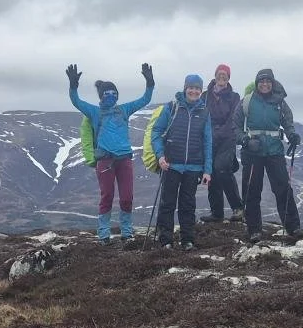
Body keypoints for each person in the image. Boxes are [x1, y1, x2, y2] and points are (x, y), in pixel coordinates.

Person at [67, 62, 154, 243]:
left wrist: (150, 83)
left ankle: (127, 232)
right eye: (107, 94)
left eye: (114, 93)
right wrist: (73, 86)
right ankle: (104, 234)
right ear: (101, 96)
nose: (111, 96)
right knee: (107, 196)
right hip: (105, 161)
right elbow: (76, 101)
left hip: (124, 159)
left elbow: (145, 99)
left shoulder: (124, 110)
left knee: (127, 197)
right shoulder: (94, 112)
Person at [239, 67, 302, 244]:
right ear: (257, 83)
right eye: (262, 81)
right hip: (252, 152)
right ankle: (254, 230)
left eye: (268, 81)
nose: (265, 84)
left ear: (272, 83)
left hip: (274, 151)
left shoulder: (280, 102)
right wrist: (245, 140)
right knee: (252, 191)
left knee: (283, 188)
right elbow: (234, 126)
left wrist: (292, 135)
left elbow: (288, 122)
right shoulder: (247, 102)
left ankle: (293, 227)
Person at [150, 74, 214, 249]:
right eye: (191, 88)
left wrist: (207, 170)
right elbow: (156, 133)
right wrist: (160, 156)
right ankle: (166, 240)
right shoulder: (171, 108)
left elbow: (208, 141)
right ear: (185, 88)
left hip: (194, 167)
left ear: (201, 91)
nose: (194, 91)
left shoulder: (204, 112)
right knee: (168, 203)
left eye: (197, 89)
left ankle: (187, 240)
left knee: (188, 204)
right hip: (171, 164)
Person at [200, 64, 245, 225]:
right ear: (215, 75)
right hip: (209, 139)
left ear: (228, 78)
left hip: (227, 138)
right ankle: (217, 212)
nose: (222, 77)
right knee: (211, 171)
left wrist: (217, 134)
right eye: (219, 74)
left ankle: (238, 208)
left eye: (225, 75)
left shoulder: (234, 97)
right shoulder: (205, 96)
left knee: (222, 168)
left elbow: (233, 119)